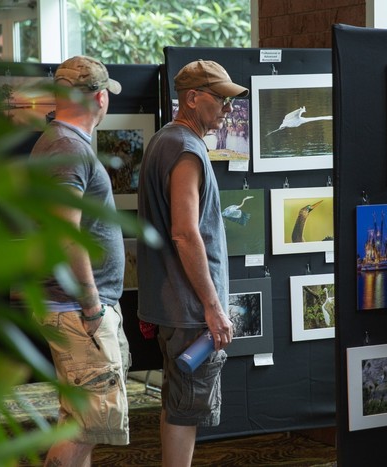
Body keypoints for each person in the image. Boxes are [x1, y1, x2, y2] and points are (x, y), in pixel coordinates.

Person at [137, 59, 248, 467]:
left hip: (174, 305)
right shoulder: (185, 148)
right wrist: (213, 307)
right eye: (220, 99)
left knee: (177, 404)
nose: (227, 108)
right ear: (192, 98)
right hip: (188, 310)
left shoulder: (163, 141)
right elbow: (185, 233)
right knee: (186, 411)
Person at [30, 55, 130, 467]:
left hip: (71, 305)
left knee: (78, 421)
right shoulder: (68, 147)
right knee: (89, 424)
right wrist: (91, 306)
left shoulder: (60, 142)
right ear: (100, 98)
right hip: (76, 309)